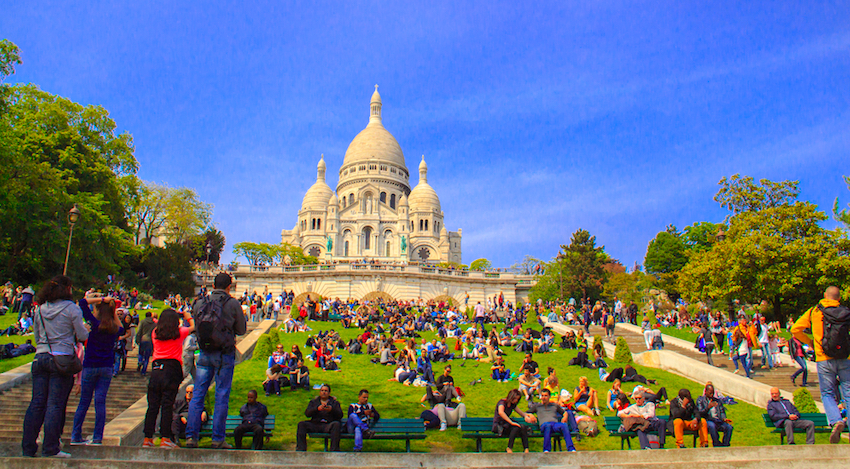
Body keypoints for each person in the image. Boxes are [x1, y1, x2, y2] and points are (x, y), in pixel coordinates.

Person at [22, 276, 90, 459]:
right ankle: (50, 447)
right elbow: (82, 335)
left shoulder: (40, 309)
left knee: (37, 403)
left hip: (41, 357)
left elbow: (37, 335)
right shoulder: (72, 309)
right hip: (61, 358)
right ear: (67, 289)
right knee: (54, 404)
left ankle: (28, 447)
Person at [186, 273, 247, 449]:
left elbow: (197, 326)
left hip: (204, 353)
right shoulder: (233, 303)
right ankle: (218, 439)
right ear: (229, 286)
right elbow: (242, 330)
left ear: (213, 285)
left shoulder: (200, 302)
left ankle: (191, 436)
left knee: (197, 395)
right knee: (221, 395)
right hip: (224, 354)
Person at [791, 286, 850, 443]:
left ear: (825, 295)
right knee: (848, 392)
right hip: (845, 357)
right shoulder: (846, 312)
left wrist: (810, 342)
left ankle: (836, 421)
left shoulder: (814, 311)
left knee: (827, 393)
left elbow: (795, 329)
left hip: (823, 357)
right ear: (839, 298)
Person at [70, 295, 123, 446]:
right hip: (106, 367)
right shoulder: (113, 329)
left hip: (90, 365)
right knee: (100, 402)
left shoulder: (94, 324)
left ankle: (76, 435)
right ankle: (98, 437)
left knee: (84, 402)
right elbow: (122, 329)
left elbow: (82, 303)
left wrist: (100, 299)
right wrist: (113, 311)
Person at [142, 308, 195, 448]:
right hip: (172, 368)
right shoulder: (179, 332)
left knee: (152, 406)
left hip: (156, 368)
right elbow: (193, 327)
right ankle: (165, 437)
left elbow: (157, 322)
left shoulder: (155, 333)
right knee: (167, 405)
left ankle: (147, 438)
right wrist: (187, 316)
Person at [527, 388, 577, 452]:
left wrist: (565, 417)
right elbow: (526, 413)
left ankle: (571, 448)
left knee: (564, 425)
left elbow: (564, 412)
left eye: (545, 396)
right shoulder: (537, 406)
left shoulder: (554, 405)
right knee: (548, 425)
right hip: (545, 425)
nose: (544, 397)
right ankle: (546, 449)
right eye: (542, 396)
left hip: (555, 424)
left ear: (549, 397)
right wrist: (530, 415)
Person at [296, 384, 343, 451]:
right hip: (315, 424)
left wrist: (331, 410)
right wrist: (317, 409)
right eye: (322, 390)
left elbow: (340, 415)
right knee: (301, 424)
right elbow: (307, 413)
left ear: (329, 393)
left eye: (326, 391)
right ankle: (301, 449)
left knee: (336, 424)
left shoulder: (334, 403)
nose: (324, 392)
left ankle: (334, 450)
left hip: (328, 424)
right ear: (319, 392)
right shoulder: (314, 402)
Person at [492, 389, 531, 453]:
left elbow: (521, 412)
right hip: (499, 426)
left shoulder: (513, 405)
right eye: (515, 398)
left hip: (506, 425)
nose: (516, 401)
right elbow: (501, 412)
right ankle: (509, 448)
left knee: (523, 427)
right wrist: (511, 422)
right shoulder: (502, 402)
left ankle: (526, 448)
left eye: (517, 399)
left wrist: (526, 416)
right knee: (516, 427)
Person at [135, 311, 156, 376]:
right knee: (147, 357)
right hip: (150, 340)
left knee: (141, 353)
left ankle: (140, 361)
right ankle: (143, 371)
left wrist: (137, 340)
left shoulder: (142, 322)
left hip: (143, 339)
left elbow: (139, 331)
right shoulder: (154, 324)